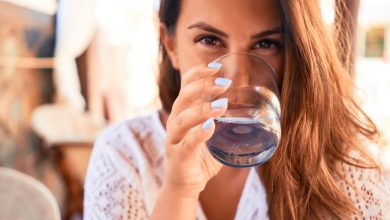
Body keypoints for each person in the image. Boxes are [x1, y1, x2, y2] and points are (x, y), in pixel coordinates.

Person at [83, 0, 390, 219]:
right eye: (209, 39)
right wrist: (179, 190)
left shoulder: (345, 171)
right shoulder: (124, 154)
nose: (239, 77)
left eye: (266, 44)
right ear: (171, 44)